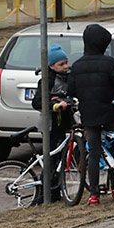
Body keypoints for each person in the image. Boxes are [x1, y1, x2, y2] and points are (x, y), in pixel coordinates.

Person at [67, 24, 114, 207]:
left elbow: (71, 90)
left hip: (90, 115)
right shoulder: (109, 63)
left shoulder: (77, 66)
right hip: (109, 112)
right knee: (112, 148)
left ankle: (94, 194)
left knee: (93, 152)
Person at [32, 44, 73, 204]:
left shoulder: (68, 77)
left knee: (61, 158)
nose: (65, 67)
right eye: (61, 64)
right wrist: (54, 106)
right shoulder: (47, 80)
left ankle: (56, 190)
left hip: (64, 123)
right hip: (50, 124)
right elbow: (37, 102)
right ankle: (46, 192)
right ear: (51, 66)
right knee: (51, 158)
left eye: (66, 62)